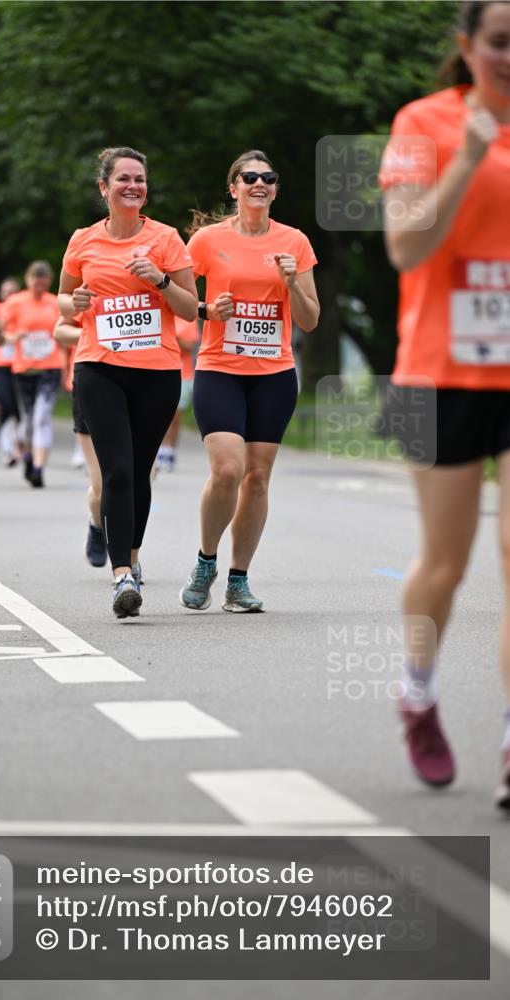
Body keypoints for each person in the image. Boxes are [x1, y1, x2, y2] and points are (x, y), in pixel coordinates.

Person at [379, 0, 510, 810]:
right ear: (467, 47)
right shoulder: (424, 122)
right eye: (500, 42)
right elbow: (404, 246)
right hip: (439, 375)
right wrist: (466, 157)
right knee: (445, 566)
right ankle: (417, 692)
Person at [58, 146, 197, 618]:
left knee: (139, 473)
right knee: (115, 470)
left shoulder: (166, 238)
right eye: (123, 179)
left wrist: (158, 279)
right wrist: (74, 302)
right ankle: (121, 577)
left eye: (140, 178)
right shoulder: (83, 241)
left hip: (157, 372)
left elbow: (187, 307)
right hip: (99, 367)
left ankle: (132, 560)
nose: (133, 186)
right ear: (104, 187)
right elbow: (63, 299)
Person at [178, 151, 319, 613]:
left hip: (274, 375)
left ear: (275, 189)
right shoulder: (205, 241)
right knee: (227, 470)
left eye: (268, 177)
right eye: (250, 177)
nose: (260, 183)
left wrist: (293, 283)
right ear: (233, 187)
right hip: (220, 368)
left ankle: (238, 581)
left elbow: (310, 319)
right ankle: (205, 561)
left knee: (256, 479)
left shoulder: (294, 242)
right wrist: (205, 311)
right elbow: (177, 299)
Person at [1, 261, 63, 488]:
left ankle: (38, 468)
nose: (39, 288)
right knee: (27, 421)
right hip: (24, 369)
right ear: (28, 280)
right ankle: (27, 456)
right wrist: (13, 337)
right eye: (35, 283)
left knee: (41, 417)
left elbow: (65, 331)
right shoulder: (15, 303)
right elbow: (0, 331)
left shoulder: (54, 303)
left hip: (50, 367)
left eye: (43, 284)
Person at [54, 315, 107, 568]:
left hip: (144, 384)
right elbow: (60, 331)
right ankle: (97, 525)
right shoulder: (90, 280)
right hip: (94, 382)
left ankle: (131, 560)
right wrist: (96, 334)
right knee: (101, 485)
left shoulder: (154, 277)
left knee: (141, 483)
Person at [156, 316, 201, 472]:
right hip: (159, 370)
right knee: (158, 414)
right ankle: (158, 449)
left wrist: (169, 334)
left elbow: (189, 346)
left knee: (175, 416)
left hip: (182, 373)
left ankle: (169, 450)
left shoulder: (187, 315)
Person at [0, 275, 22, 467]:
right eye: (7, 292)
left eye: (13, 292)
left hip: (19, 364)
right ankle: (6, 443)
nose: (10, 295)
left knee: (17, 409)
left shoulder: (24, 310)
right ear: (1, 294)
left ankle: (12, 448)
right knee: (6, 403)